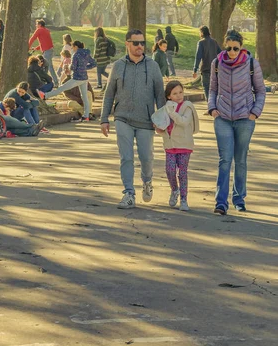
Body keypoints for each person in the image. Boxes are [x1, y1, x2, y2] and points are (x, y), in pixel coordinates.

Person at [100, 29, 166, 209]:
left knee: (146, 158)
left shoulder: (152, 66)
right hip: (122, 118)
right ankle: (129, 193)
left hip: (146, 121)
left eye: (142, 43)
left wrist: (163, 121)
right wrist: (104, 118)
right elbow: (109, 94)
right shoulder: (118, 66)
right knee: (126, 157)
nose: (140, 47)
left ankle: (147, 181)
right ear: (127, 44)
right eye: (136, 43)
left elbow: (160, 95)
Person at [208, 29, 266, 215]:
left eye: (236, 48)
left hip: (245, 119)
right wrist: (213, 109)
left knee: (240, 160)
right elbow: (212, 89)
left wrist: (254, 113)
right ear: (225, 46)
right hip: (222, 118)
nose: (232, 51)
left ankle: (239, 199)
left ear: (241, 47)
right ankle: (221, 203)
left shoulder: (251, 64)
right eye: (229, 48)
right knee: (225, 160)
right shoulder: (217, 63)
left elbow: (260, 91)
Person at [155, 80, 199, 211]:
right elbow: (163, 126)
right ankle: (175, 190)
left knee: (183, 172)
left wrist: (172, 113)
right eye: (175, 93)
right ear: (169, 96)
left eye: (181, 92)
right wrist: (159, 129)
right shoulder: (166, 108)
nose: (179, 95)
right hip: (170, 144)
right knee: (170, 170)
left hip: (185, 145)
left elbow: (184, 122)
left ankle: (184, 199)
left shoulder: (188, 106)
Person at [38, 41, 96, 122]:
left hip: (77, 78)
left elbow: (72, 67)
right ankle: (86, 115)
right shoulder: (86, 53)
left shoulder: (75, 55)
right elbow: (94, 64)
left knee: (62, 88)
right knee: (85, 97)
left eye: (72, 47)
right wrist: (84, 68)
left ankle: (45, 96)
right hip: (84, 78)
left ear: (76, 46)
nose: (72, 48)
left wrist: (69, 66)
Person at [193, 25, 221, 102]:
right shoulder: (214, 42)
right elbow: (221, 53)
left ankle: (210, 107)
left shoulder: (201, 42)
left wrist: (195, 69)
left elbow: (198, 57)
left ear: (202, 33)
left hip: (205, 68)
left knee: (207, 88)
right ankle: (216, 105)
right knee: (215, 88)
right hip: (215, 69)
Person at [28, 19, 58, 86]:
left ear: (40, 25)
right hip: (50, 50)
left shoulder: (39, 30)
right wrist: (36, 48)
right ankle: (46, 82)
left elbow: (32, 38)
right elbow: (44, 42)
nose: (36, 25)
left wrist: (27, 47)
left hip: (47, 51)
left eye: (36, 24)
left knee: (49, 66)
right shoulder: (46, 30)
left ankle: (55, 82)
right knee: (45, 66)